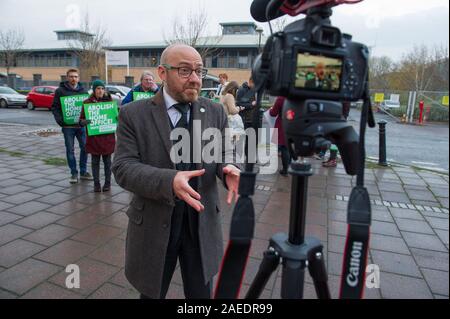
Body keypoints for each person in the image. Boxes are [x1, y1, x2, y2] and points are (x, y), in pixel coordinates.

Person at [112, 44, 240, 299]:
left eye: (199, 71)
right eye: (184, 70)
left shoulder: (214, 111)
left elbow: (226, 151)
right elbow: (123, 167)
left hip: (201, 223)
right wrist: (169, 181)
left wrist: (229, 167)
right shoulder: (132, 114)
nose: (194, 78)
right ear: (162, 72)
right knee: (152, 292)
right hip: (154, 223)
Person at [51, 68, 93, 184]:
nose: (73, 78)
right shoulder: (60, 91)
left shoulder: (84, 91)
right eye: (71, 76)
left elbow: (87, 108)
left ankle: (83, 171)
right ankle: (74, 173)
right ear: (67, 78)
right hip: (68, 127)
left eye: (75, 76)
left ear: (78, 78)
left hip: (81, 127)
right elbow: (55, 107)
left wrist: (86, 120)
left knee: (85, 148)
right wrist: (60, 121)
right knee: (70, 150)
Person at [79, 80, 116, 193]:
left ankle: (107, 184)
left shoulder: (110, 102)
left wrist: (117, 118)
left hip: (107, 138)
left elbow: (116, 117)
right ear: (94, 90)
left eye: (102, 88)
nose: (100, 91)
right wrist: (84, 122)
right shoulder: (87, 103)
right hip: (94, 138)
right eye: (98, 88)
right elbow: (80, 121)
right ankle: (96, 184)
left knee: (107, 163)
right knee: (95, 162)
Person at [269, 96, 291, 176]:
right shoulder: (295, 97)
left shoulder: (281, 98)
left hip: (282, 124)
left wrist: (271, 109)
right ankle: (288, 166)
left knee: (283, 148)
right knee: (288, 146)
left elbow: (273, 113)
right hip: (293, 124)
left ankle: (285, 170)